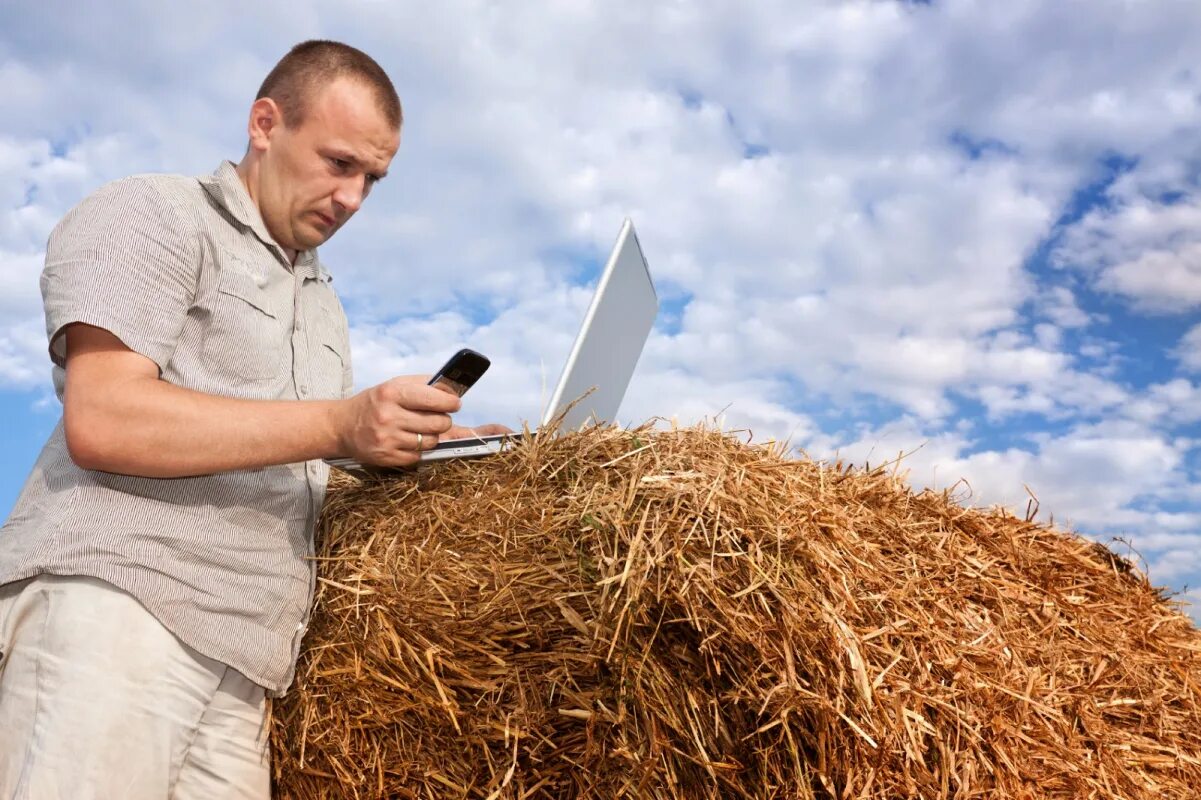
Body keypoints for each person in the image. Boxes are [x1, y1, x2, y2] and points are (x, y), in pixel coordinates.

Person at [0, 40, 506, 798]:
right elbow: (104, 418)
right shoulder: (155, 213)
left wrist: (413, 448)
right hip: (118, 613)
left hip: (247, 664)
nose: (353, 199)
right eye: (339, 163)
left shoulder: (322, 303)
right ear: (265, 124)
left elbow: (299, 454)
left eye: (373, 178)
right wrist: (340, 423)